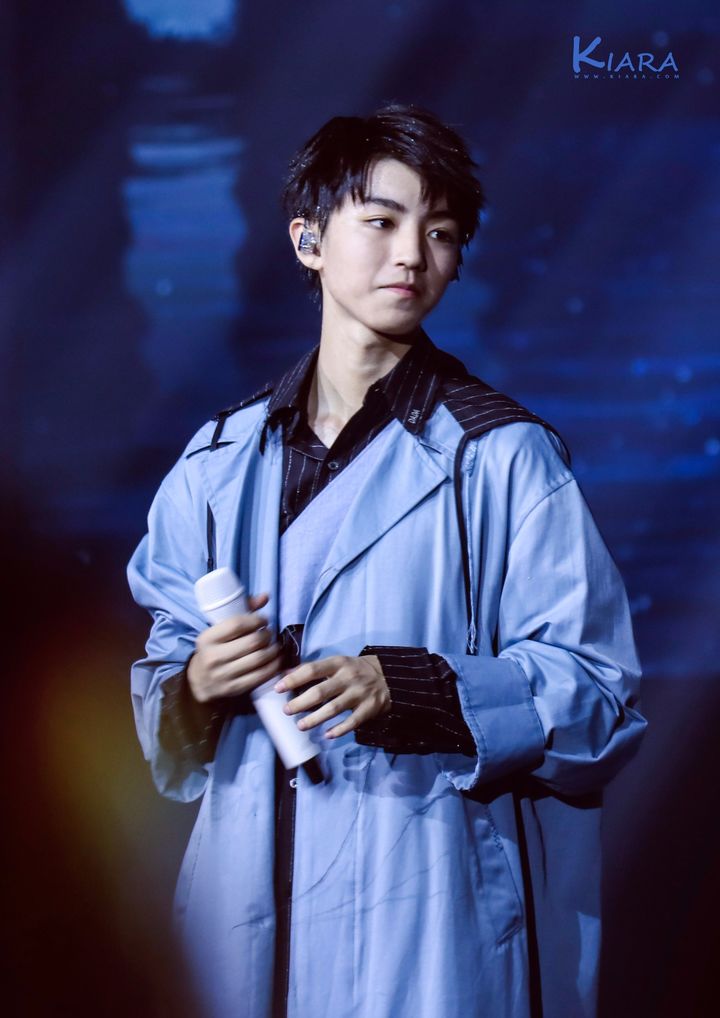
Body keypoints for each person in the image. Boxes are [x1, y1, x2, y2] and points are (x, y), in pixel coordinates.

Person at [128, 103, 647, 1018]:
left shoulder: (504, 457)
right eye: (381, 220)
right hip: (246, 917)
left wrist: (413, 686)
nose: (412, 254)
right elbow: (160, 706)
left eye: (440, 233)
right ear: (308, 240)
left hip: (427, 912)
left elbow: (599, 695)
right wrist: (198, 683)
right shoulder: (215, 465)